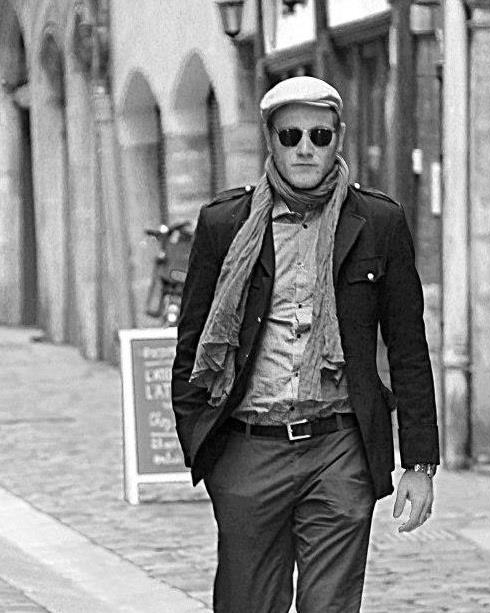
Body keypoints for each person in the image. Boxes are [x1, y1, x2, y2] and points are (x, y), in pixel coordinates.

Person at [171, 76, 439, 613]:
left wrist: (419, 462)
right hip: (248, 448)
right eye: (290, 135)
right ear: (270, 138)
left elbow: (408, 347)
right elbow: (193, 342)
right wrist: (204, 447)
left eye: (320, 135)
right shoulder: (225, 224)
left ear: (339, 137)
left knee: (331, 606)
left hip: (339, 447)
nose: (305, 149)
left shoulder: (378, 222)